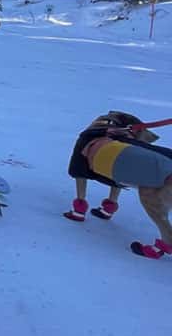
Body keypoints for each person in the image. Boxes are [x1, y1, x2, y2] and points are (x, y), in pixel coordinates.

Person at [63, 111, 172, 259]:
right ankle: (108, 208)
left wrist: (79, 207)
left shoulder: (89, 140)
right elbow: (119, 177)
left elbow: (79, 173)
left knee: (153, 203)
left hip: (164, 175)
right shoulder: (123, 143)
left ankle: (167, 242)